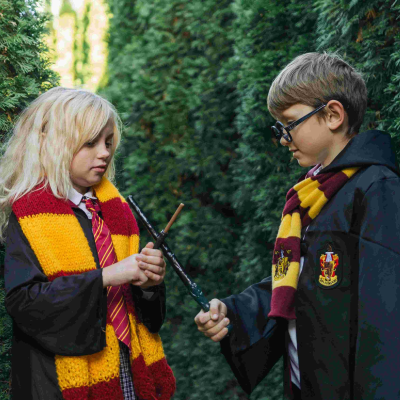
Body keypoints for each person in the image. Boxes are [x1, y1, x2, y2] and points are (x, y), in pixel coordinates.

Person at [194, 52, 400, 400]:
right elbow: (302, 280)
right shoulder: (313, 193)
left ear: (332, 115)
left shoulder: (375, 188)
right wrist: (232, 312)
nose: (282, 139)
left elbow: (385, 316)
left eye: (289, 124)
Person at [0, 87, 176, 400]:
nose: (104, 152)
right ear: (56, 144)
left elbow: (148, 318)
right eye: (90, 142)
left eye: (108, 142)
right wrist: (107, 276)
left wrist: (148, 285)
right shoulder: (29, 214)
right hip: (57, 383)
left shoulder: (117, 212)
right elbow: (26, 303)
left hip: (128, 374)